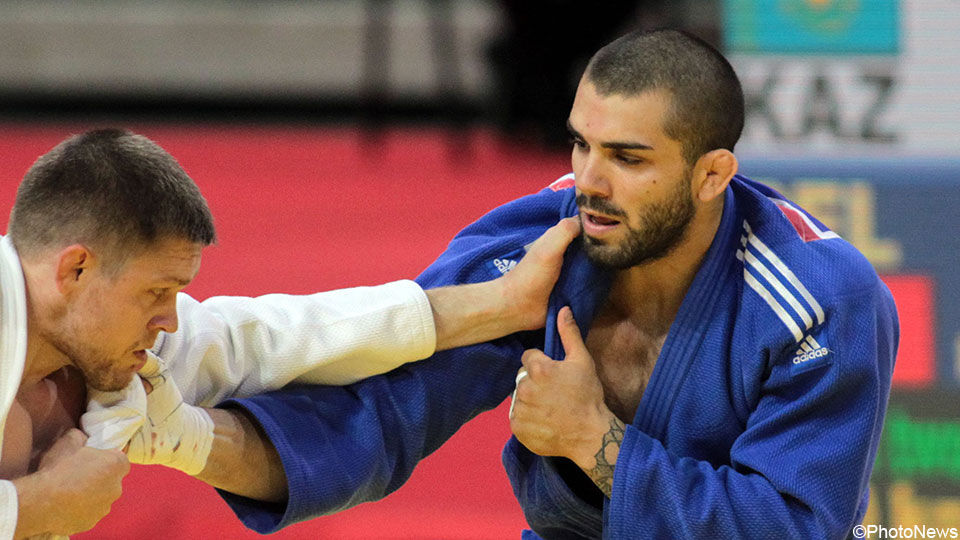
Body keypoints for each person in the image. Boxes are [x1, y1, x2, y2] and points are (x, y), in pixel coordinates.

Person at [196, 30, 898, 539]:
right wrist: (182, 437)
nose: (588, 182)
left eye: (627, 157)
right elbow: (374, 415)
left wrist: (594, 438)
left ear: (713, 174)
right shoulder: (543, 245)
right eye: (580, 144)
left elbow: (792, 528)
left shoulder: (820, 298)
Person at [0, 128, 579, 539]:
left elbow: (278, 335)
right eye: (156, 293)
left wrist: (499, 303)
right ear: (75, 269)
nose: (170, 320)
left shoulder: (109, 342)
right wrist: (35, 507)